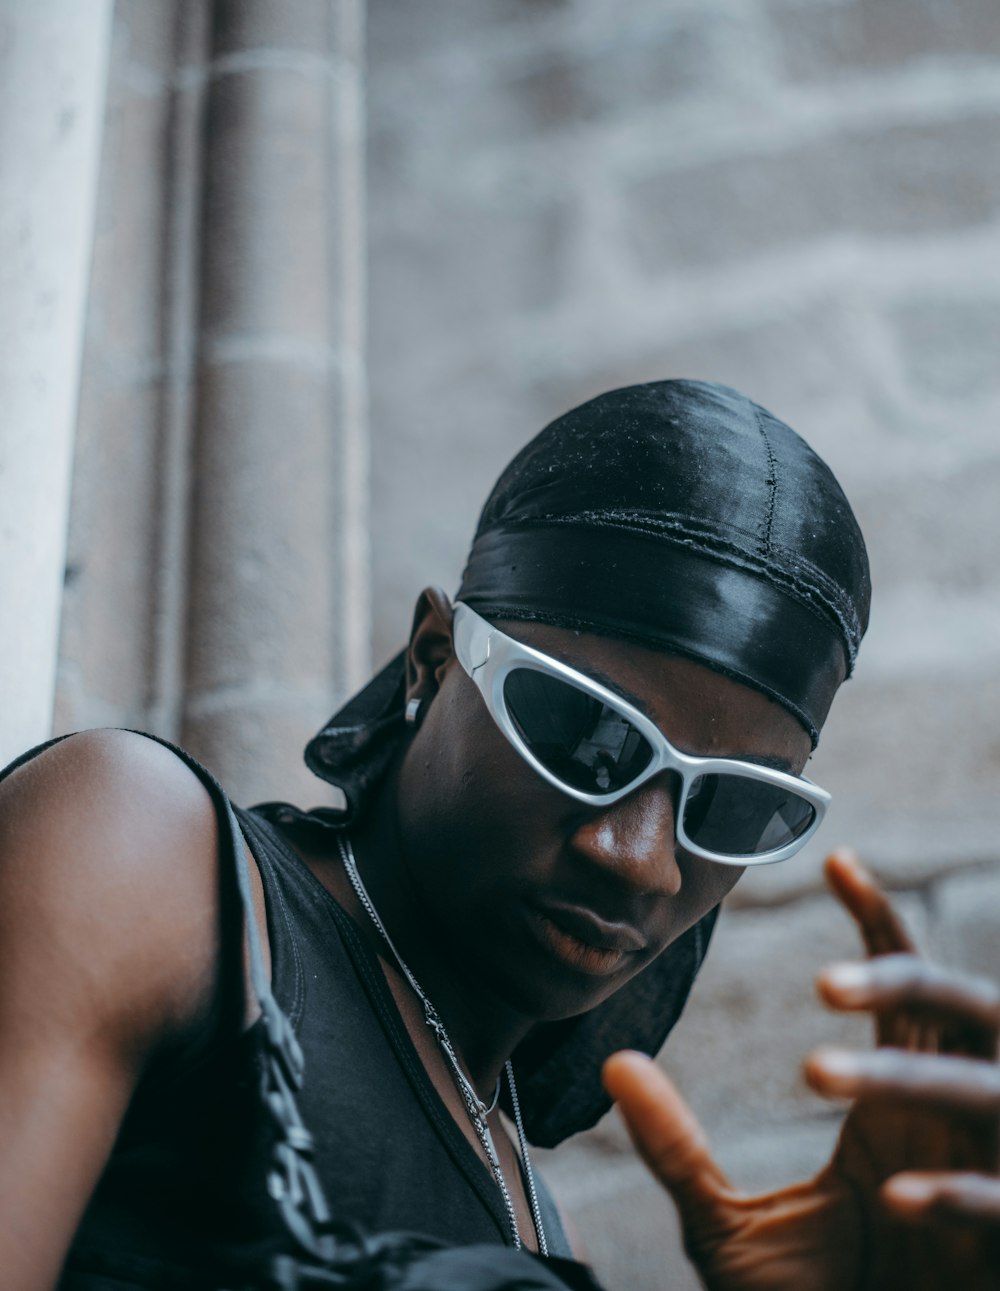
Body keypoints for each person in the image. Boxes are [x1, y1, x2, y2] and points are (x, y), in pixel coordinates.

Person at [0, 380, 997, 1291]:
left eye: (729, 806)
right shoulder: (148, 861)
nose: (640, 858)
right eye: (586, 736)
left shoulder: (529, 1206)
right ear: (436, 655)